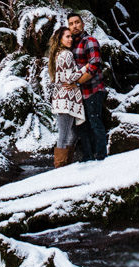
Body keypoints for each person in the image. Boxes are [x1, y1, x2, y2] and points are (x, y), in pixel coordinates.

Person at [68, 13, 108, 160]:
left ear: (83, 24)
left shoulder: (89, 41)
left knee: (95, 121)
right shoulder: (70, 44)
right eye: (71, 24)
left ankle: (101, 155)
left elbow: (94, 65)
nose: (74, 26)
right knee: (81, 125)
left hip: (93, 90)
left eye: (77, 22)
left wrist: (78, 82)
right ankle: (87, 156)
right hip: (78, 93)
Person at [46, 27, 86, 168]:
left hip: (64, 98)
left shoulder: (58, 53)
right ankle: (60, 166)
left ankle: (66, 164)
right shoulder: (66, 54)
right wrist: (85, 68)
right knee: (64, 134)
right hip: (65, 99)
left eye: (71, 37)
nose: (70, 39)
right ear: (60, 39)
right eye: (67, 37)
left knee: (72, 132)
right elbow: (68, 77)